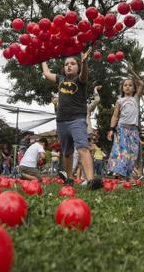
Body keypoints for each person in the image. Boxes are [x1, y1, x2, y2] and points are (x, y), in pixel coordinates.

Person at [42, 49, 102, 189]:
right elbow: (46, 74)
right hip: (61, 121)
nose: (69, 65)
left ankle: (91, 180)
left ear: (78, 67)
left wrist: (85, 61)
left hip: (77, 120)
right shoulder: (61, 79)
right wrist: (43, 58)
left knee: (83, 148)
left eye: (73, 63)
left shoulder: (80, 80)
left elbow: (84, 75)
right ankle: (69, 179)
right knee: (67, 152)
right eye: (66, 64)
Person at [107, 66, 144, 180]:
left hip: (133, 130)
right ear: (122, 88)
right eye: (125, 85)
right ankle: (120, 174)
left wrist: (132, 72)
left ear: (134, 88)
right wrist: (111, 129)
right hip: (122, 128)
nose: (128, 87)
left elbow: (142, 84)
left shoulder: (136, 98)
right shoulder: (120, 101)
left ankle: (128, 175)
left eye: (130, 85)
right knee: (122, 151)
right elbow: (115, 116)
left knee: (133, 153)